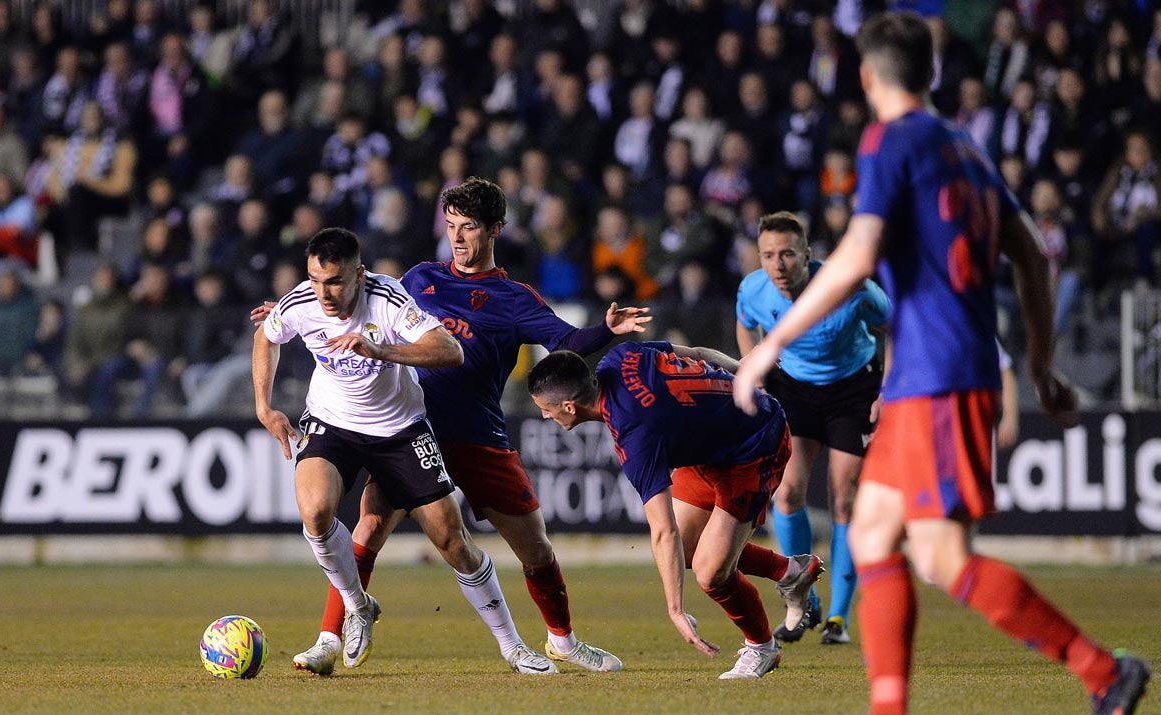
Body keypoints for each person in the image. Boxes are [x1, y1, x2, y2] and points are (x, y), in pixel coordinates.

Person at [733, 11, 1149, 715]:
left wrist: (771, 351)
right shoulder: (964, 146)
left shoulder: (889, 140)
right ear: (929, 72)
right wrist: (1041, 363)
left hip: (937, 375)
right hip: (947, 369)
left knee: (942, 556)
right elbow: (1029, 255)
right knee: (871, 532)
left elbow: (857, 252)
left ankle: (1104, 671)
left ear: (866, 77)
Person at [262, 177, 650, 676]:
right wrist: (299, 312)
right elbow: (365, 305)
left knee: (534, 547)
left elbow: (566, 340)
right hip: (408, 427)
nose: (458, 238)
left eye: (469, 227)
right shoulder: (421, 279)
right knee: (370, 524)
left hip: (478, 434)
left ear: (496, 230)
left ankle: (564, 641)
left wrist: (607, 329)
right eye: (450, 226)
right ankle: (329, 639)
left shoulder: (513, 298)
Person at [253, 226, 552, 675]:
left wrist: (380, 349)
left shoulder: (388, 300)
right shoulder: (300, 303)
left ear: (360, 274)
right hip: (333, 424)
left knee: (452, 540)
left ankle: (512, 646)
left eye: (334, 281)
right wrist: (264, 407)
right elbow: (266, 337)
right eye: (315, 281)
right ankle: (357, 606)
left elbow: (450, 351)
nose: (324, 293)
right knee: (315, 511)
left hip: (400, 430)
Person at [527, 344, 824, 680]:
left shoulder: (634, 434)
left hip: (755, 444)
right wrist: (741, 368)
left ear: (569, 405)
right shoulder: (622, 356)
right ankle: (789, 571)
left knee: (711, 573)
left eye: (547, 409)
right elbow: (698, 351)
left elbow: (662, 529)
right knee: (688, 550)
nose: (544, 416)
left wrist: (676, 608)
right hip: (708, 447)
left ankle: (762, 647)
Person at [736, 210, 890, 646]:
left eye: (787, 254)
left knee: (845, 498)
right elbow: (745, 324)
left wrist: (890, 388)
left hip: (853, 390)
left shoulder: (852, 287)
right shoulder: (753, 289)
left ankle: (838, 617)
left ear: (807, 255)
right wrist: (754, 369)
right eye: (768, 255)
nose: (778, 265)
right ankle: (806, 591)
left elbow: (896, 325)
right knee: (787, 492)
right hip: (795, 388)